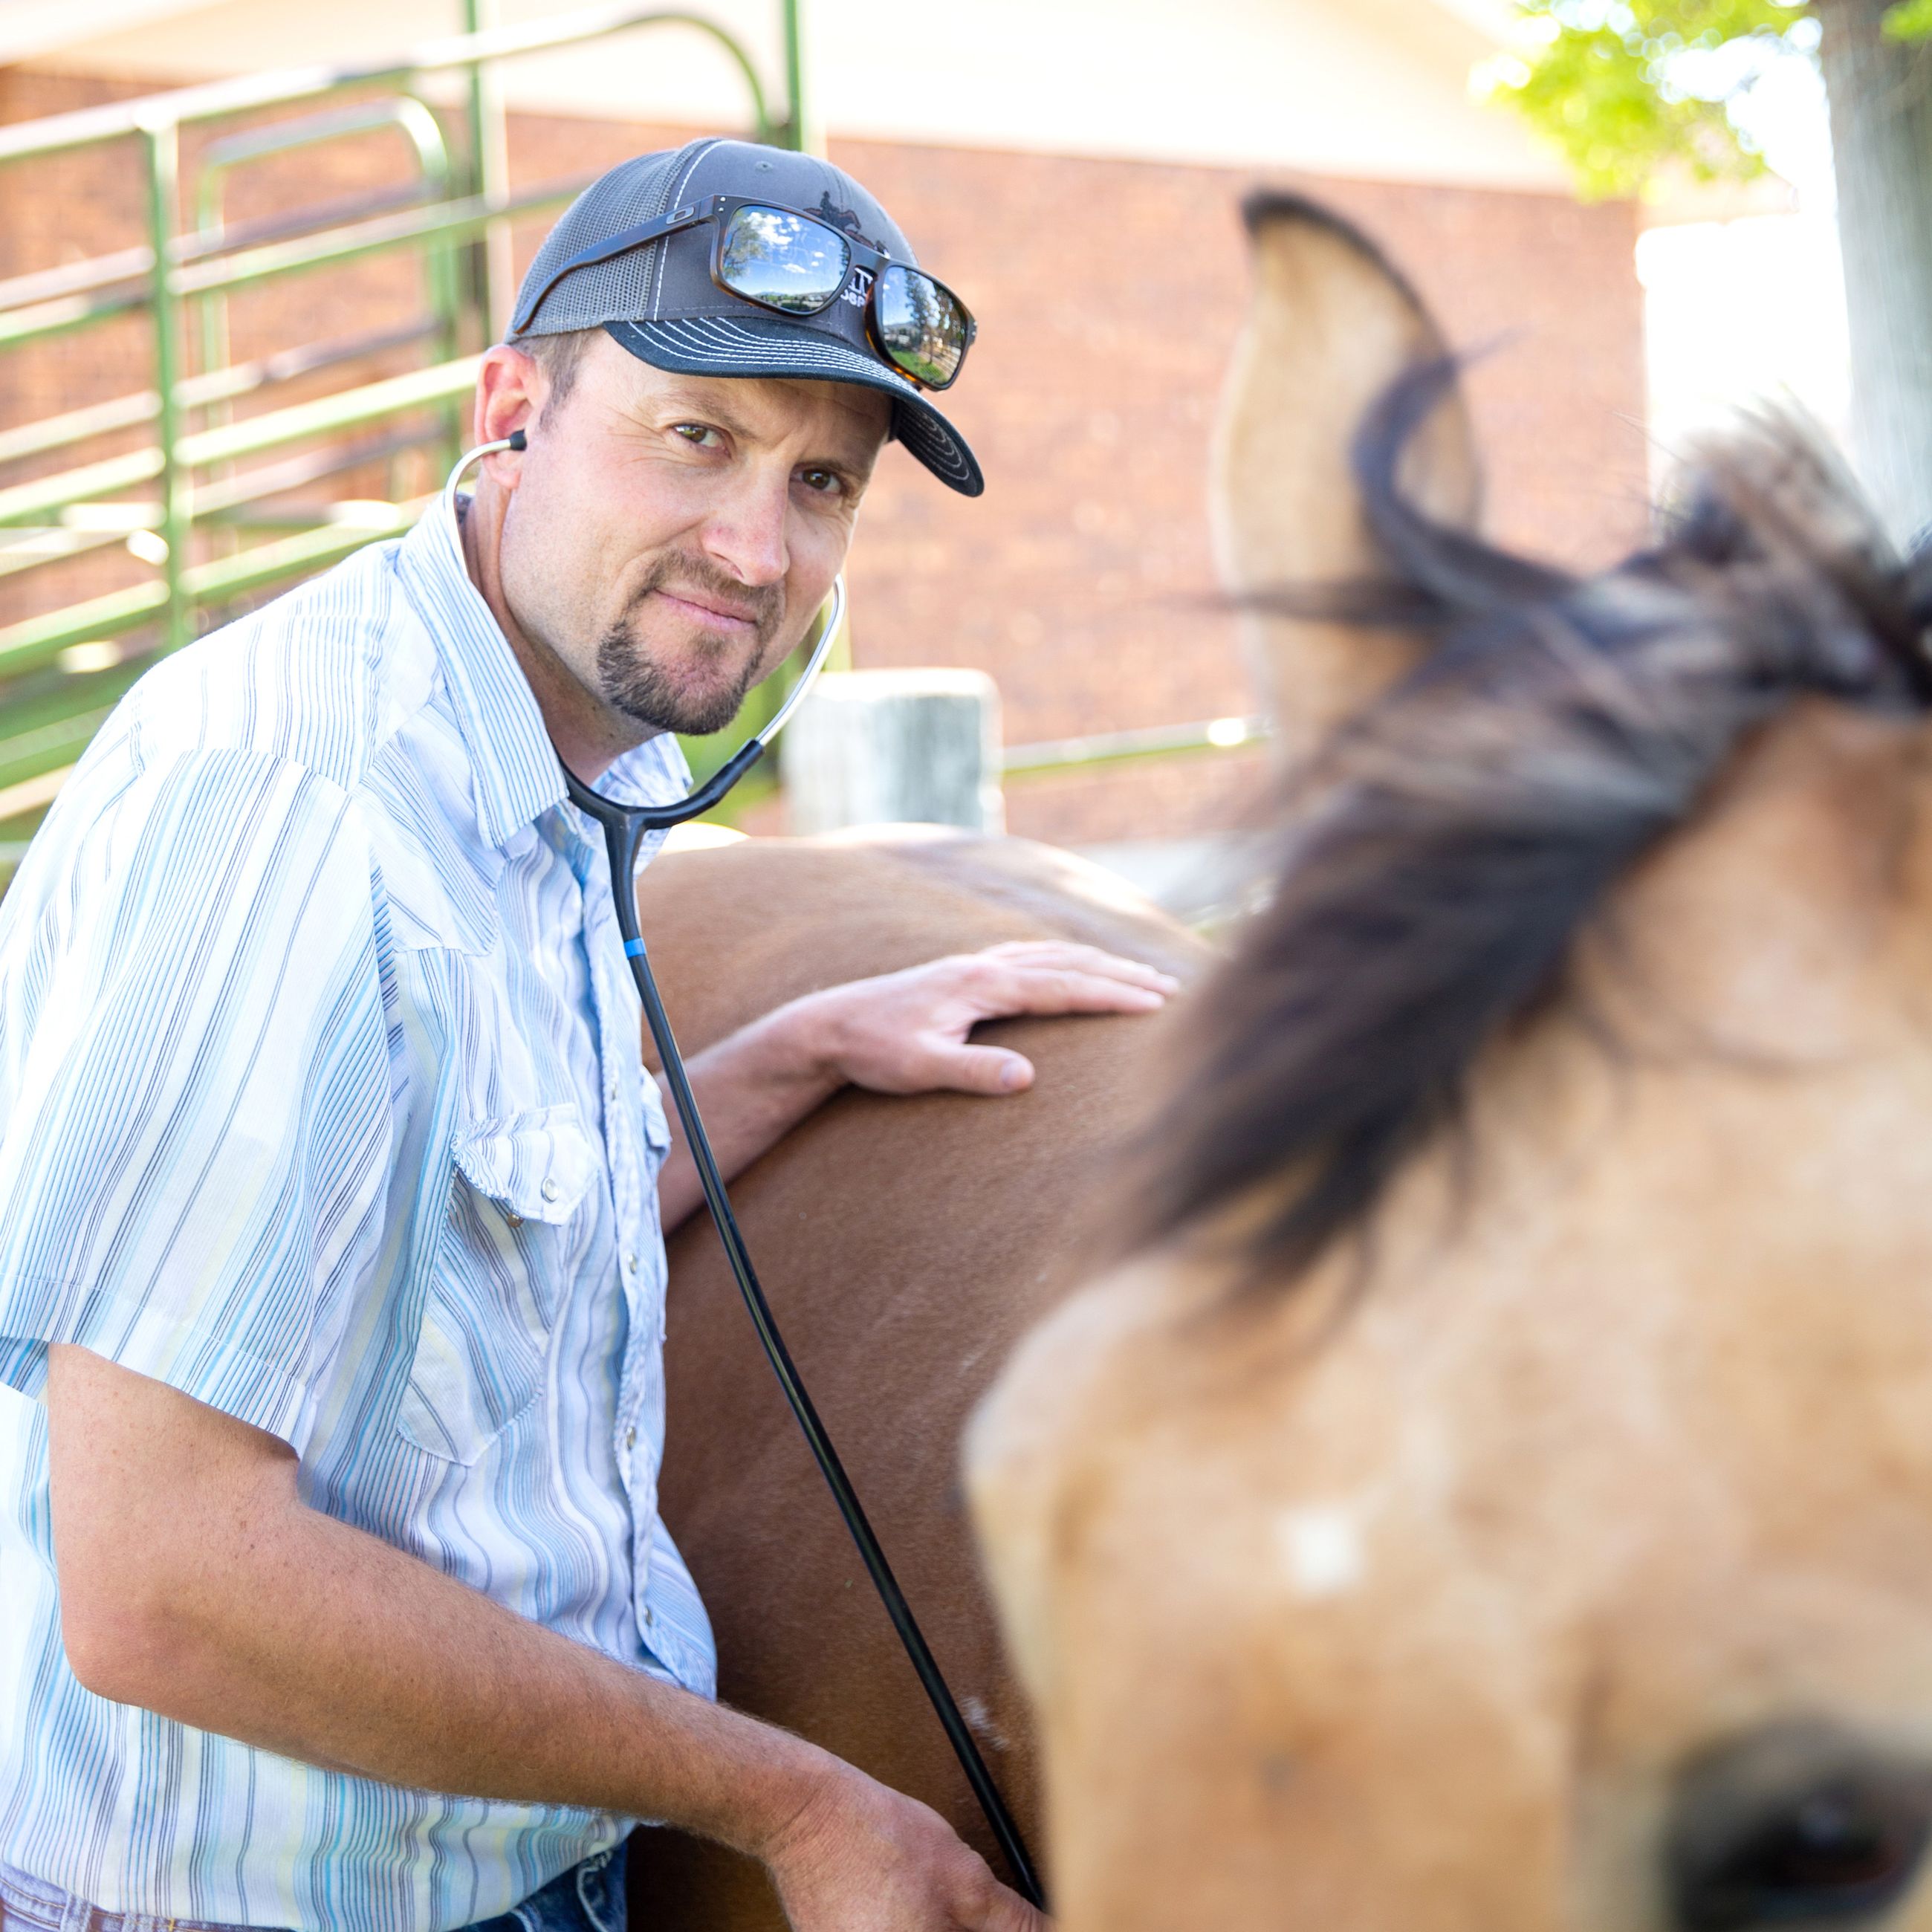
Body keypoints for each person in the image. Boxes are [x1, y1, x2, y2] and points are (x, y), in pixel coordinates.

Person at [0, 138, 1173, 1932]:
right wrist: (793, 1805)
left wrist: (791, 1056)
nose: (755, 547)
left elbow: (439, 1257)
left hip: (502, 1856)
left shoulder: (557, 765)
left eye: (820, 482)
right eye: (695, 436)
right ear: (514, 405)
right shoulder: (295, 805)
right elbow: (163, 1580)